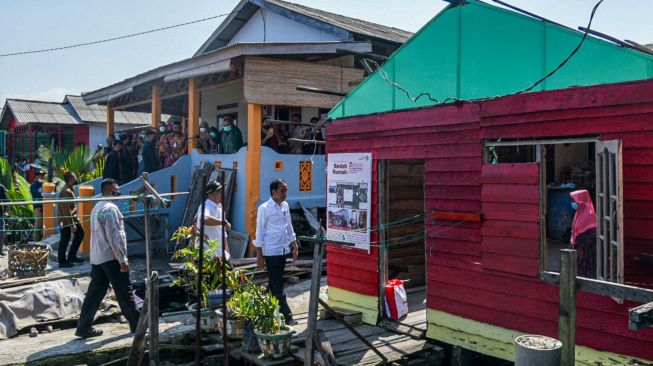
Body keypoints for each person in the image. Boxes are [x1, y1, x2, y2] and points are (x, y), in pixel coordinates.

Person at [75, 178, 140, 338]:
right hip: (111, 257)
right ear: (112, 192)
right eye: (118, 192)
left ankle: (84, 326)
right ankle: (137, 324)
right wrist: (122, 258)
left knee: (94, 293)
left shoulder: (97, 206)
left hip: (98, 258)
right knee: (124, 290)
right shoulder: (110, 209)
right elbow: (115, 235)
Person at [253, 179, 298, 325]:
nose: (285, 193)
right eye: (282, 191)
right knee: (277, 284)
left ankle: (265, 310)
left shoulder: (285, 206)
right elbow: (259, 232)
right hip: (271, 251)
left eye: (286, 190)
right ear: (274, 192)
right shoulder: (264, 208)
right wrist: (259, 256)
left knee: (274, 283)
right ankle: (287, 316)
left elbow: (289, 226)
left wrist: (294, 244)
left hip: (283, 249)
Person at [195, 181, 231, 260]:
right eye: (218, 191)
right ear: (210, 194)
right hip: (207, 254)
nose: (221, 193)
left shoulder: (219, 208)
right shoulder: (205, 206)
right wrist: (223, 222)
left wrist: (227, 252)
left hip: (220, 254)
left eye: (221, 191)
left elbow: (223, 232)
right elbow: (204, 219)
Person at [58, 171, 84, 267]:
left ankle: (72, 256)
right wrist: (71, 224)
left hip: (72, 218)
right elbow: (66, 210)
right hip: (66, 220)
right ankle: (62, 261)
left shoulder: (70, 189)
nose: (76, 178)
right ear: (71, 179)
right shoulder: (66, 191)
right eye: (75, 177)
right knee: (65, 239)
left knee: (80, 234)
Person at [570, 190, 597, 278]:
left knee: (587, 274)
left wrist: (582, 248)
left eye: (574, 200)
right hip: (579, 250)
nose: (572, 203)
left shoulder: (589, 215)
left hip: (587, 251)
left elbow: (592, 234)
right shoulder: (578, 213)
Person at [30, 170, 45, 240]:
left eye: (43, 175)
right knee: (38, 225)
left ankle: (42, 239)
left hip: (46, 207)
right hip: (38, 208)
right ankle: (35, 241)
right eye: (41, 175)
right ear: (36, 176)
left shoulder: (44, 184)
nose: (42, 177)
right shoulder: (33, 185)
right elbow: (37, 195)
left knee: (44, 225)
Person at [0, 184, 8, 256]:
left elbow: (6, 200)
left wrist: (6, 211)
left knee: (1, 231)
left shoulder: (1, 187)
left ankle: (0, 250)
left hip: (0, 214)